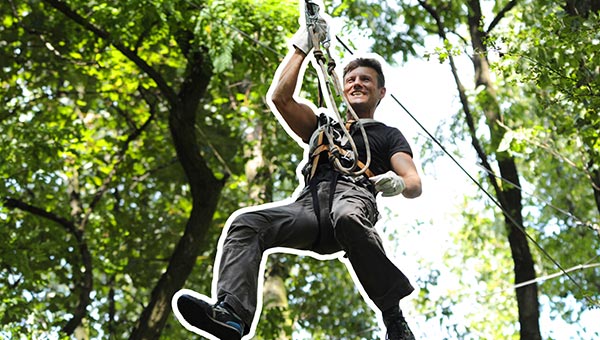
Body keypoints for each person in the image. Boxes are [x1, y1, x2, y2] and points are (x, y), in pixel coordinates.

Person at [172, 10, 422, 340]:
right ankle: (232, 314)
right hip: (308, 206)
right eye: (351, 80)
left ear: (380, 93)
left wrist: (399, 182)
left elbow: (414, 183)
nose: (357, 83)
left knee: (347, 218)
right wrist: (302, 47)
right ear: (342, 89)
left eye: (366, 80)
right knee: (246, 224)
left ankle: (393, 317)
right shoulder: (323, 126)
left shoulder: (387, 135)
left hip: (353, 200)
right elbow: (280, 98)